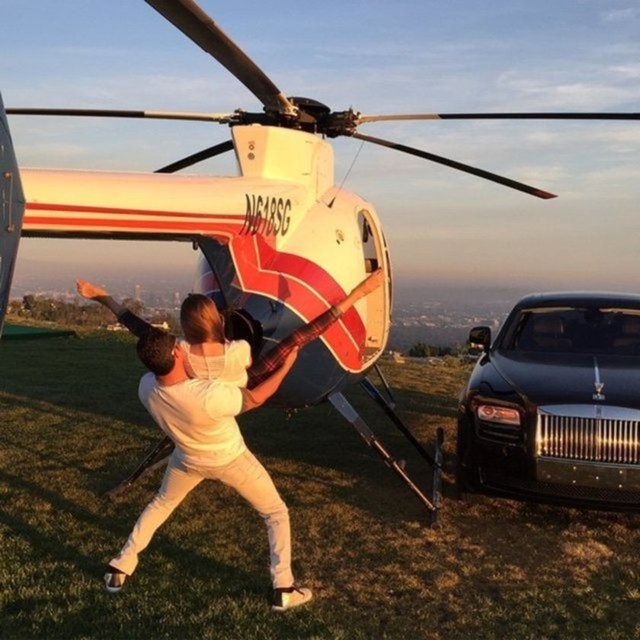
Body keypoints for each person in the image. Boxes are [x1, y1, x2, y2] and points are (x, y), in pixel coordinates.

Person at [102, 327, 311, 612]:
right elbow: (256, 397)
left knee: (161, 504)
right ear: (176, 353)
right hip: (230, 459)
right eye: (180, 345)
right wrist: (286, 365)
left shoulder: (146, 387)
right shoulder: (207, 394)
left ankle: (120, 566)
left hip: (186, 459)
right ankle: (284, 587)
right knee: (275, 512)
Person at [76, 268, 384, 390]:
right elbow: (306, 333)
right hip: (240, 394)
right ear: (218, 320)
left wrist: (103, 297)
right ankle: (358, 294)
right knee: (293, 343)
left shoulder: (181, 353)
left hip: (202, 397)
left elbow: (140, 328)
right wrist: (358, 293)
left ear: (186, 328)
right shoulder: (240, 351)